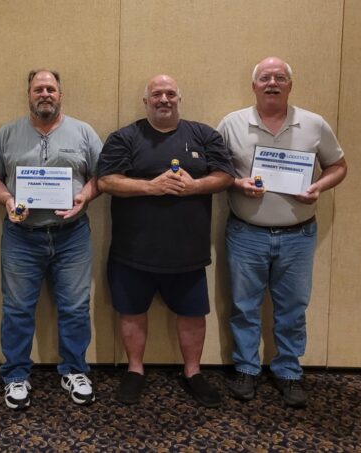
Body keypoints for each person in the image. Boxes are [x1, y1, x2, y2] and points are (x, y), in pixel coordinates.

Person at [97, 74, 234, 408]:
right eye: (156, 94)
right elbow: (106, 181)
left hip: (188, 252)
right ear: (146, 102)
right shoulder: (125, 137)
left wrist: (195, 186)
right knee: (131, 312)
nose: (164, 99)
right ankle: (135, 369)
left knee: (191, 315)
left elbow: (226, 175)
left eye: (170, 93)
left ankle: (192, 372)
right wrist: (150, 187)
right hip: (133, 251)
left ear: (179, 99)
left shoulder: (204, 135)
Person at [217, 57, 347, 407]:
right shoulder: (232, 123)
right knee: (244, 306)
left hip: (298, 235)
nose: (272, 82)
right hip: (246, 233)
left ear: (290, 84)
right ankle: (246, 368)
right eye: (264, 77)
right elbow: (216, 170)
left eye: (279, 77)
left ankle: (289, 371)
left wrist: (320, 186)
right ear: (254, 85)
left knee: (292, 308)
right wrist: (237, 182)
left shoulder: (314, 124)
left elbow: (338, 165)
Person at [0, 69, 102, 410]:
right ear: (29, 95)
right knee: (17, 309)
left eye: (50, 88)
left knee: (76, 308)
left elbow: (101, 174)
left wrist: (85, 196)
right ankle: (16, 375)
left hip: (72, 236)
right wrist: (6, 199)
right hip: (22, 237)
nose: (44, 93)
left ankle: (75, 370)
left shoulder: (83, 132)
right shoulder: (8, 133)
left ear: (60, 94)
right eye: (38, 89)